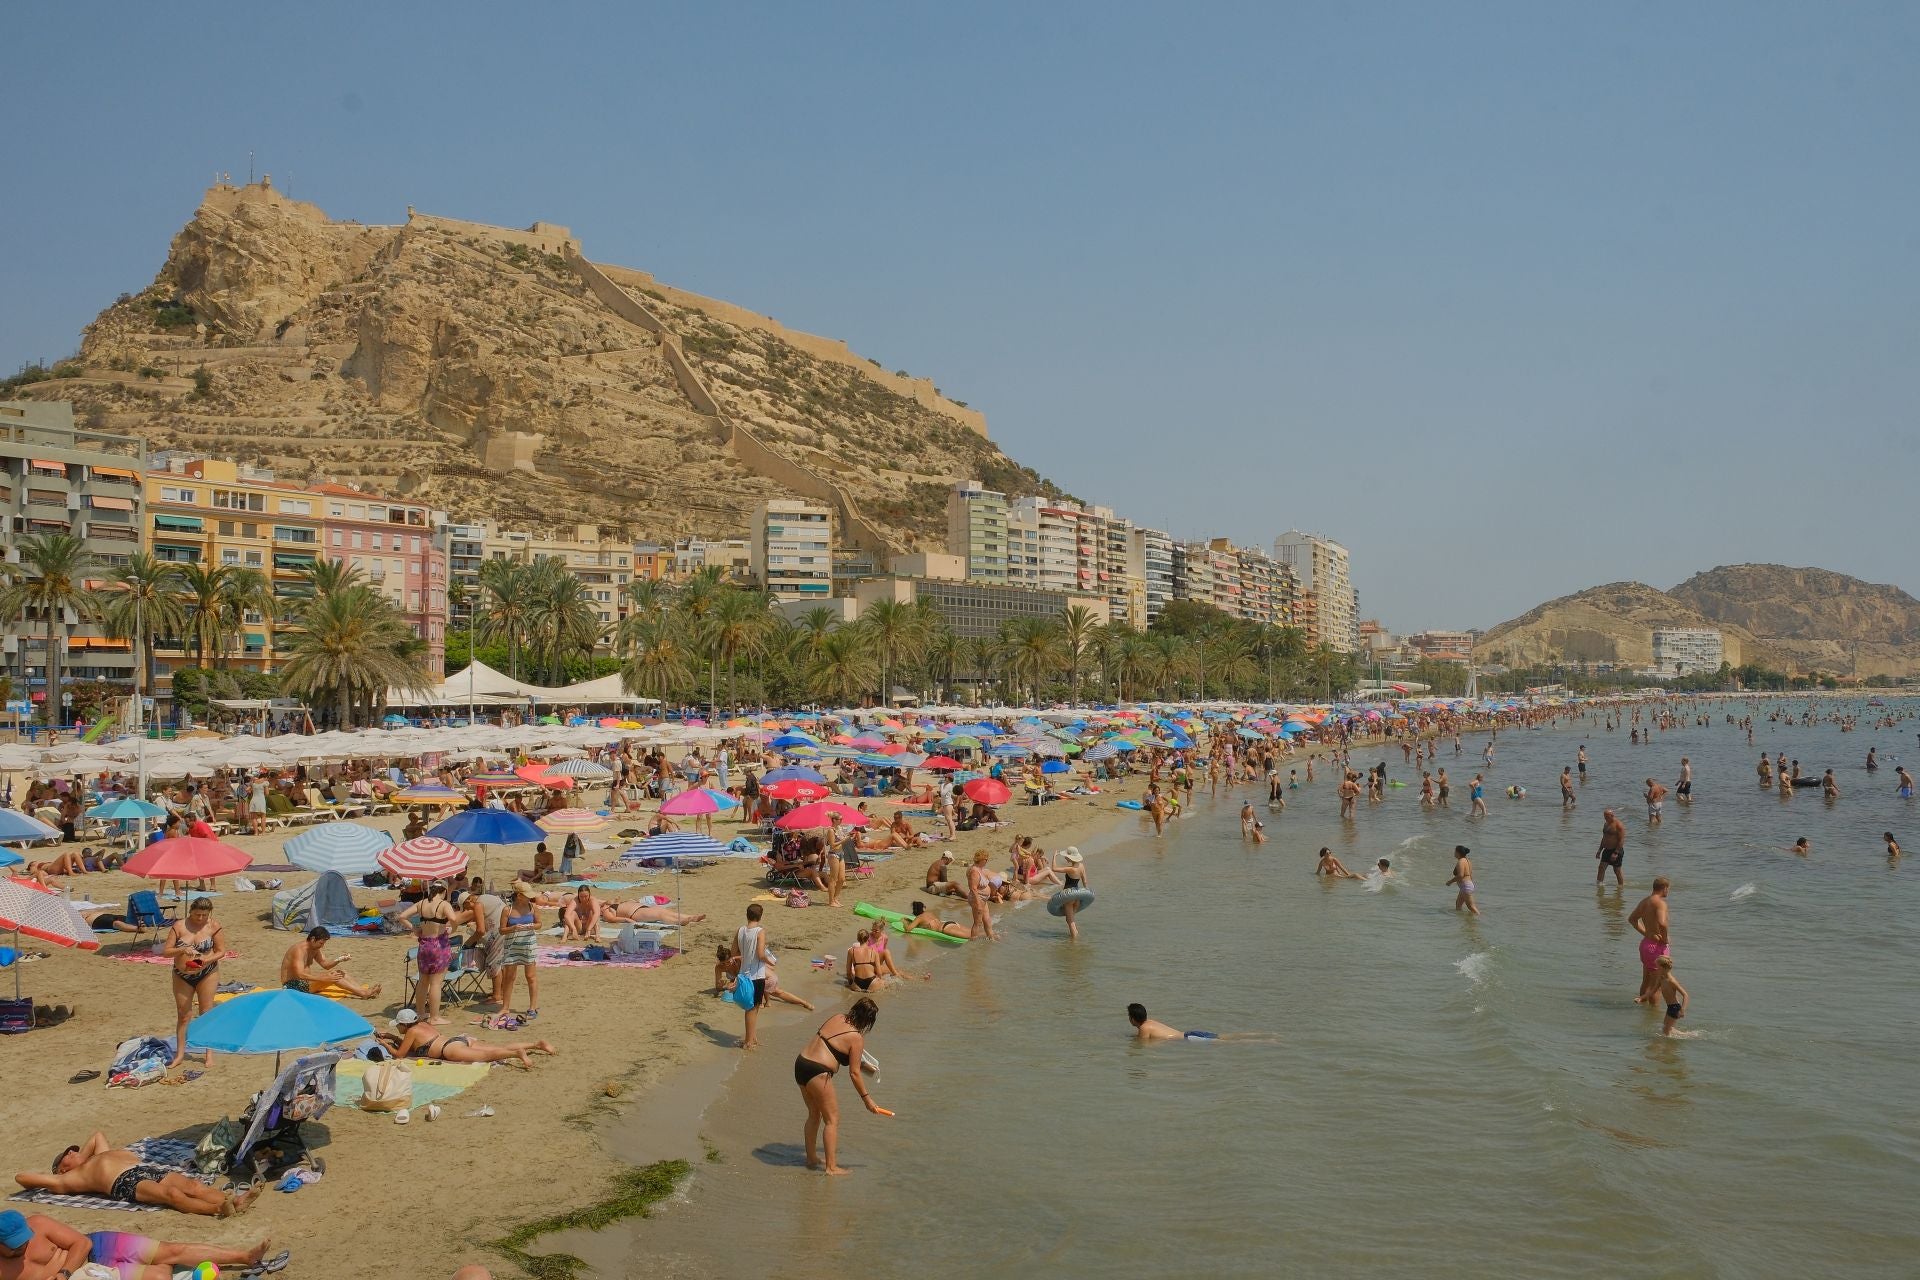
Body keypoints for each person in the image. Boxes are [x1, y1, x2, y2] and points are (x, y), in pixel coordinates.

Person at [18, 1134, 259, 1217]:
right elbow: (22, 1177)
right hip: (122, 1182)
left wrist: (82, 1157)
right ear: (62, 1168)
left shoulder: (97, 1156)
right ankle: (218, 1209)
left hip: (141, 1169)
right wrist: (61, 1172)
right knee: (171, 1194)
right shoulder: (67, 1179)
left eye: (73, 1150)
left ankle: (234, 1201)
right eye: (67, 1155)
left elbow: (97, 1136)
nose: (73, 1151)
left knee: (193, 1185)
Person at [0, 1209, 275, 1280]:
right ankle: (179, 1271)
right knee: (158, 1275)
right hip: (89, 1275)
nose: (23, 1247)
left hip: (93, 1248)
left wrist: (62, 1273)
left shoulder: (37, 1223)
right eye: (15, 1246)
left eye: (25, 1240)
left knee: (170, 1250)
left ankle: (245, 1256)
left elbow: (80, 1243)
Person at [793, 997, 885, 1175]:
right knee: (832, 1120)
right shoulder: (857, 1038)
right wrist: (867, 1099)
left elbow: (835, 1048)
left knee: (814, 1114)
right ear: (868, 1021)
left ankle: (811, 1158)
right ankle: (831, 1167)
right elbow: (855, 1073)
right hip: (817, 1072)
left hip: (801, 1063)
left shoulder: (837, 1017)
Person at [163, 898, 225, 1069]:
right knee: (184, 1015)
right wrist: (182, 949)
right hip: (182, 974)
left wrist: (206, 960)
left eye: (204, 915)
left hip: (207, 972)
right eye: (197, 914)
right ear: (190, 911)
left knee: (206, 1012)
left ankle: (209, 1054)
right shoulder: (179, 927)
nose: (200, 918)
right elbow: (166, 952)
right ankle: (180, 1054)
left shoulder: (213, 926)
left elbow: (221, 951)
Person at [379, 1011, 555, 1069]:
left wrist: (384, 1044)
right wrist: (391, 1037)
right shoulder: (422, 1024)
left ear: (405, 1024)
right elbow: (412, 1045)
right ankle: (536, 1045)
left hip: (450, 1050)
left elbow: (400, 1055)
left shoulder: (411, 1032)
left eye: (398, 1026)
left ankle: (517, 1053)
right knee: (495, 1047)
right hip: (460, 1039)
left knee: (489, 1056)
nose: (398, 1029)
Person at [395, 879, 458, 1026]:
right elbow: (454, 919)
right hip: (439, 945)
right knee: (436, 983)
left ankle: (421, 1013)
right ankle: (434, 1017)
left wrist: (414, 929)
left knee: (423, 981)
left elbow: (402, 916)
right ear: (444, 891)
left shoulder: (422, 903)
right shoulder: (443, 904)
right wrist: (452, 929)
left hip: (424, 945)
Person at [280, 927, 381, 999]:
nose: (322, 946)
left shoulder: (314, 947)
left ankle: (361, 990)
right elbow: (299, 974)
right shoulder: (299, 950)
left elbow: (325, 964)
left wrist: (339, 959)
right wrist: (323, 978)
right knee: (333, 976)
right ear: (313, 939)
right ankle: (363, 993)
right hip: (292, 987)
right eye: (321, 943)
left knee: (341, 972)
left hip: (305, 983)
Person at [496, 883, 541, 1020]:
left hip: (528, 944)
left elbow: (539, 924)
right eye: (527, 896)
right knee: (509, 977)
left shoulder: (532, 907)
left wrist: (532, 926)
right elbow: (501, 930)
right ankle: (505, 1007)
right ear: (520, 896)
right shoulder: (507, 910)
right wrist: (514, 928)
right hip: (512, 945)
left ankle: (532, 1007)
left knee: (531, 976)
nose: (530, 898)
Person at [733, 902, 771, 1049]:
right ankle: (748, 1042)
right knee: (752, 1008)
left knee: (752, 1007)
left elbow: (734, 952)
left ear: (747, 915)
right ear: (760, 916)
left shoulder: (740, 930)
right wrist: (770, 961)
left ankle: (752, 1037)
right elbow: (761, 954)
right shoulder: (760, 931)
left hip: (744, 975)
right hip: (756, 975)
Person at [1628, 877, 1672, 1005]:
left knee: (1646, 980)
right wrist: (1664, 939)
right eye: (1668, 889)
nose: (1668, 892)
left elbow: (1632, 919)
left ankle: (1642, 1010)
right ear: (1664, 888)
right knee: (1657, 986)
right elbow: (1662, 924)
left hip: (1646, 945)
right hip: (1657, 948)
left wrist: (1646, 933)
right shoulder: (1660, 903)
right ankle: (1653, 1016)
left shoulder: (1644, 902)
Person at [1126, 1003, 1214, 1042]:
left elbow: (1142, 1045)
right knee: (1223, 1038)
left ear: (1132, 1019)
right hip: (1189, 1034)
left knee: (1225, 1044)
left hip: (1189, 1039)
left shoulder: (1144, 1028)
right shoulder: (1150, 1022)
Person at [1052, 848, 1090, 940]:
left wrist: (1054, 857)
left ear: (1071, 858)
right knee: (1070, 919)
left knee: (1070, 921)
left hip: (1068, 896)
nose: (1065, 858)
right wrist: (1086, 893)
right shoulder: (1081, 866)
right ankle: (1075, 937)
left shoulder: (1071, 869)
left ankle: (1075, 943)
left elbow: (1054, 868)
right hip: (1076, 895)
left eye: (1066, 856)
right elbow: (1085, 881)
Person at [965, 849, 998, 942]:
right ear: (982, 859)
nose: (987, 861)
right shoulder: (974, 871)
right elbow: (973, 888)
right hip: (977, 898)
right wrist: (978, 903)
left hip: (983, 898)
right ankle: (973, 942)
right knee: (977, 922)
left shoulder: (980, 869)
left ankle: (991, 937)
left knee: (987, 919)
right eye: (986, 859)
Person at [1653, 955, 1689, 1037]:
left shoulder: (1671, 981)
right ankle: (1688, 1035)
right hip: (1670, 1007)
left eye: (1657, 967)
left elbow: (1685, 995)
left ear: (1662, 968)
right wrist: (1641, 998)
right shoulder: (1662, 979)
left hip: (1675, 1007)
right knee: (1667, 1028)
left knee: (1666, 1031)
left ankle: (1669, 1048)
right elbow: (1653, 990)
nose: (1656, 969)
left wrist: (1682, 1010)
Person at [905, 901, 972, 939]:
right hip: (950, 923)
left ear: (915, 913)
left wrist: (905, 922)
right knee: (975, 933)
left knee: (972, 938)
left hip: (946, 929)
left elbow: (908, 929)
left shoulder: (919, 918)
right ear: (924, 908)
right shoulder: (930, 913)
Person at [1596, 808, 1626, 886]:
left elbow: (1621, 840)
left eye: (1606, 816)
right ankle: (1599, 885)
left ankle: (1621, 886)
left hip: (1616, 850)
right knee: (1601, 867)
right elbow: (1604, 838)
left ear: (1612, 815)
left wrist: (1616, 853)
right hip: (1606, 850)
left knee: (1617, 870)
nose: (1605, 818)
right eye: (1604, 816)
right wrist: (1599, 850)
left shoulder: (1619, 825)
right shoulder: (1606, 824)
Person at [1448, 845, 1479, 915]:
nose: (1454, 853)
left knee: (1471, 907)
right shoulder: (1467, 861)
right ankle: (1462, 921)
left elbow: (1460, 875)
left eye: (1455, 851)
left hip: (1466, 886)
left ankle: (1479, 920)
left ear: (1458, 853)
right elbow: (1470, 874)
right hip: (1466, 885)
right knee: (1458, 905)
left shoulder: (1461, 861)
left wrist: (1450, 882)